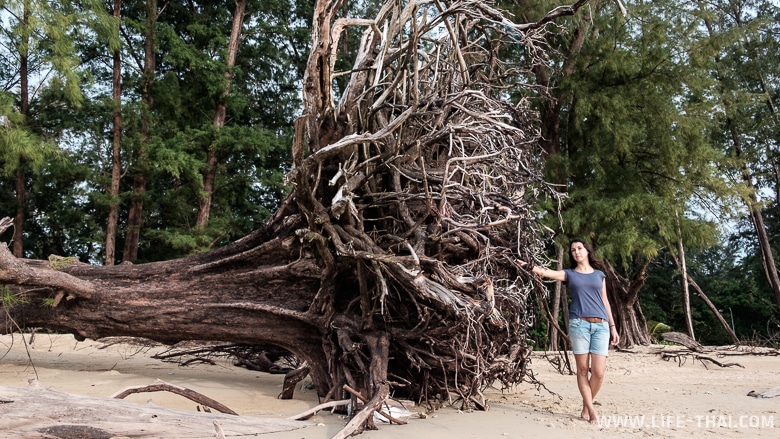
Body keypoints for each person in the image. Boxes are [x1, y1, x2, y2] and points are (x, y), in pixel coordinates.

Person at [517, 238, 620, 424]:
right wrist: (527, 265)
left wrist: (613, 327)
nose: (576, 252)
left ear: (587, 251)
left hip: (601, 326)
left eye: (580, 248)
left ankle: (586, 406)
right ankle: (592, 412)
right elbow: (546, 272)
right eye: (573, 250)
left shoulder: (599, 275)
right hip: (579, 324)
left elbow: (605, 302)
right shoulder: (569, 274)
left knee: (598, 373)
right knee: (582, 370)